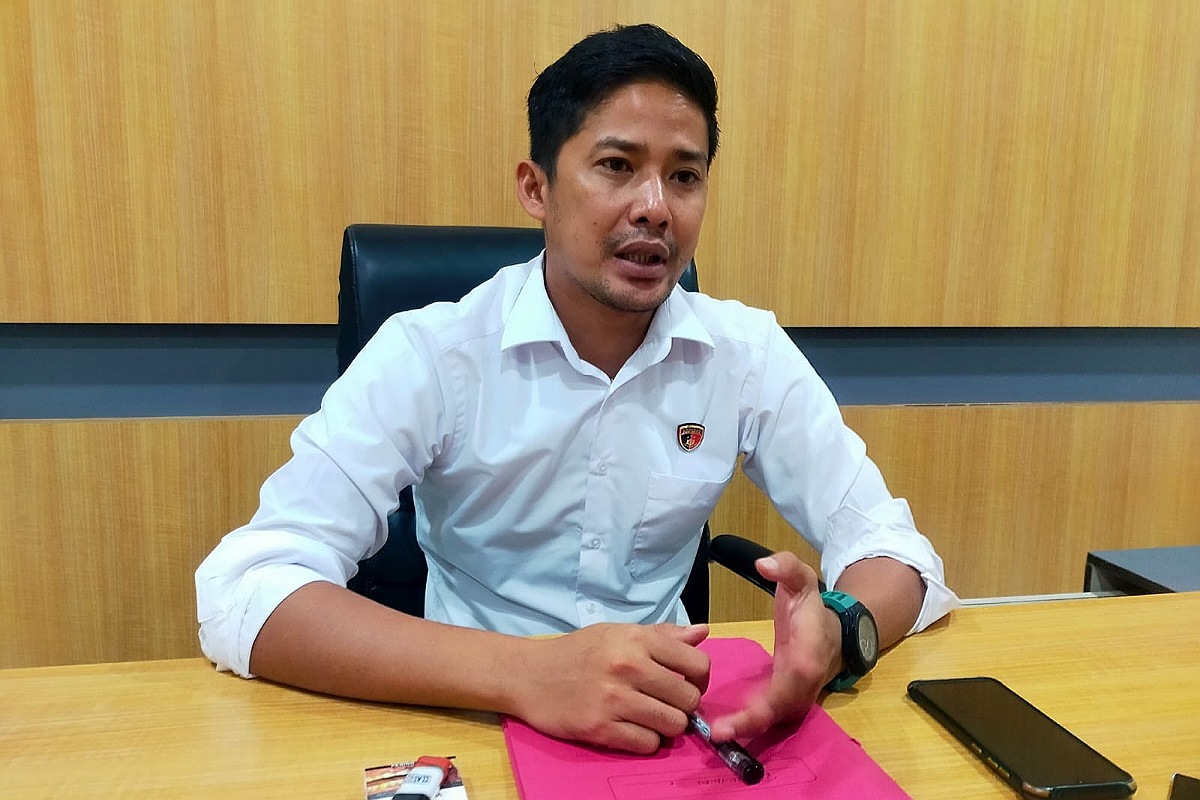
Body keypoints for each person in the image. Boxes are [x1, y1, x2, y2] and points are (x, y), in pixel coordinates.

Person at [195, 23, 957, 755]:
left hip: (671, 733)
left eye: (685, 176)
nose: (655, 207)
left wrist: (839, 633)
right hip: (470, 724)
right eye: (617, 166)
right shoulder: (433, 355)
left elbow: (898, 552)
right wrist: (527, 674)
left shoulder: (744, 355)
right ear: (537, 188)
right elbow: (247, 587)